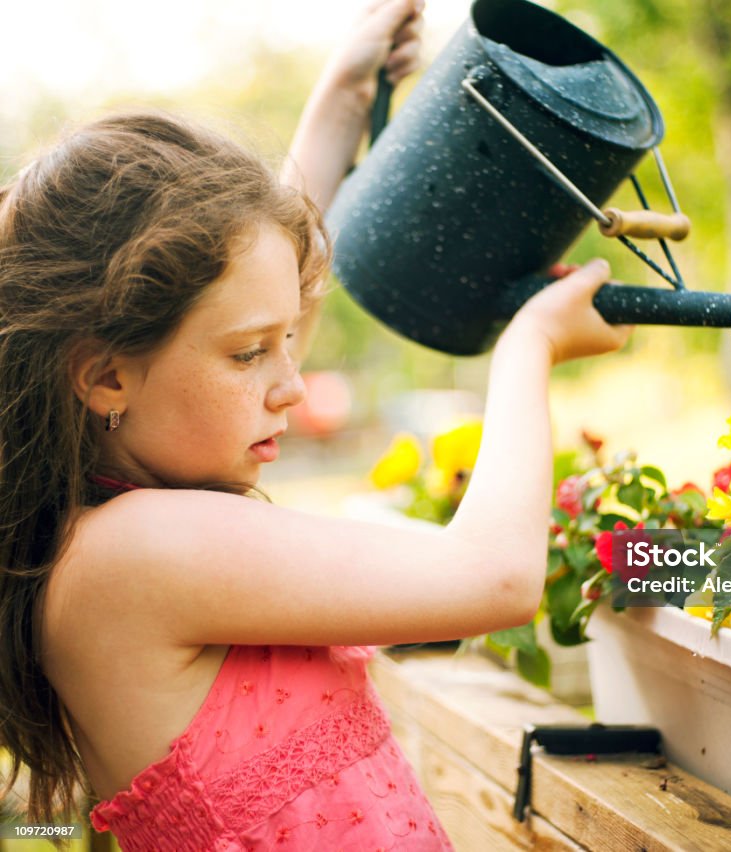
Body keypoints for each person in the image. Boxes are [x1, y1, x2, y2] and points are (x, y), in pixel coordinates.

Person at [0, 0, 630, 848]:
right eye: (253, 354)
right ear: (107, 374)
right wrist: (530, 349)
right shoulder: (134, 553)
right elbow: (497, 578)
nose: (291, 383)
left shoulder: (121, 531)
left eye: (286, 339)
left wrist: (340, 98)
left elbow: (230, 304)